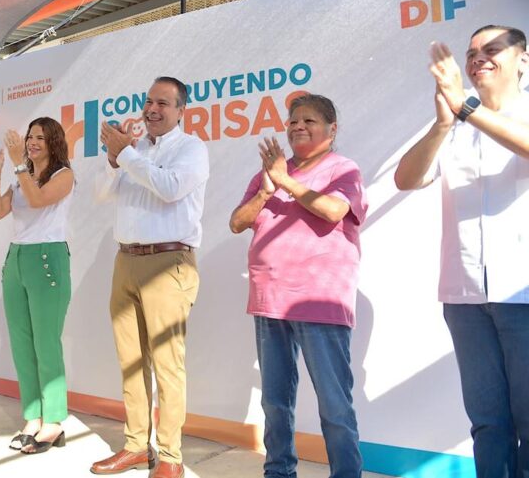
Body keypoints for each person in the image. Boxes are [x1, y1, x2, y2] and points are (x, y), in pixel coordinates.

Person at [394, 25, 529, 478]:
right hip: (466, 296)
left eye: (492, 50)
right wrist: (442, 123)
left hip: (523, 295)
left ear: (524, 60)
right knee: (488, 423)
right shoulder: (456, 125)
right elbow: (407, 179)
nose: (478, 59)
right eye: (471, 53)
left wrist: (464, 107)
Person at [229, 94, 367, 478]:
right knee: (275, 401)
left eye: (309, 121)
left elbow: (334, 211)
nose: (298, 127)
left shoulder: (344, 169)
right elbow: (237, 223)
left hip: (319, 300)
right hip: (269, 299)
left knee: (334, 403)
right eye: (292, 122)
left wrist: (285, 180)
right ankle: (278, 472)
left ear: (332, 129)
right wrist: (265, 190)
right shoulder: (269, 174)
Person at [91, 77, 209, 478]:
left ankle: (171, 458)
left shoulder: (192, 149)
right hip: (125, 261)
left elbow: (170, 187)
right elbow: (101, 195)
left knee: (167, 365)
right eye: (148, 102)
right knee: (130, 361)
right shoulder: (134, 150)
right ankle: (136, 446)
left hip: (168, 262)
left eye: (163, 103)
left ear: (180, 111)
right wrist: (112, 158)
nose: (152, 109)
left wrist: (125, 155)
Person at [0, 117, 74, 454]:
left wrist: (18, 164)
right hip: (17, 258)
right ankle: (32, 418)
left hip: (47, 259)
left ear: (54, 142)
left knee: (46, 342)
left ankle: (53, 421)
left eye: (40, 137)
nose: (33, 142)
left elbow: (38, 201)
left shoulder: (64, 175)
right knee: (22, 342)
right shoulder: (22, 178)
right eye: (29, 136)